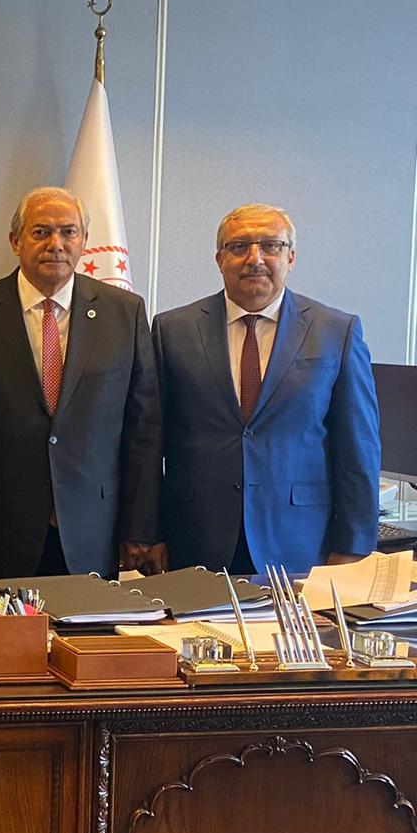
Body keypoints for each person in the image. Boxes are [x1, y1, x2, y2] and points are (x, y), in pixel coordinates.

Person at [0, 186, 160, 582]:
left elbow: (144, 430)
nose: (56, 244)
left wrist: (139, 527)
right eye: (41, 232)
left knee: (85, 626)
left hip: (93, 529)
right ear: (15, 241)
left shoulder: (125, 314)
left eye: (69, 232)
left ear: (84, 241)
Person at [153, 204, 379, 574]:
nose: (255, 258)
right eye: (239, 246)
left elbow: (359, 449)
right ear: (219, 259)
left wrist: (353, 547)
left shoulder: (336, 331)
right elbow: (149, 441)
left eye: (271, 246)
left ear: (291, 257)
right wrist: (148, 532)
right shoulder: (172, 330)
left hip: (301, 542)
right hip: (194, 537)